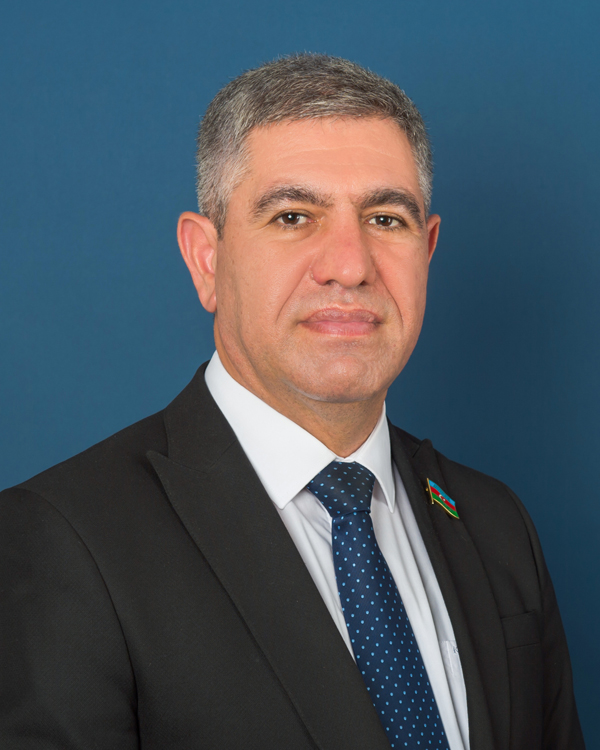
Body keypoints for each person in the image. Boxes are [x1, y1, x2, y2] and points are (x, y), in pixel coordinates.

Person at [0, 54, 584, 750]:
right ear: (207, 258)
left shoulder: (496, 525)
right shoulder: (65, 543)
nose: (350, 265)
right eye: (293, 216)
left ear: (427, 250)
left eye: (385, 218)